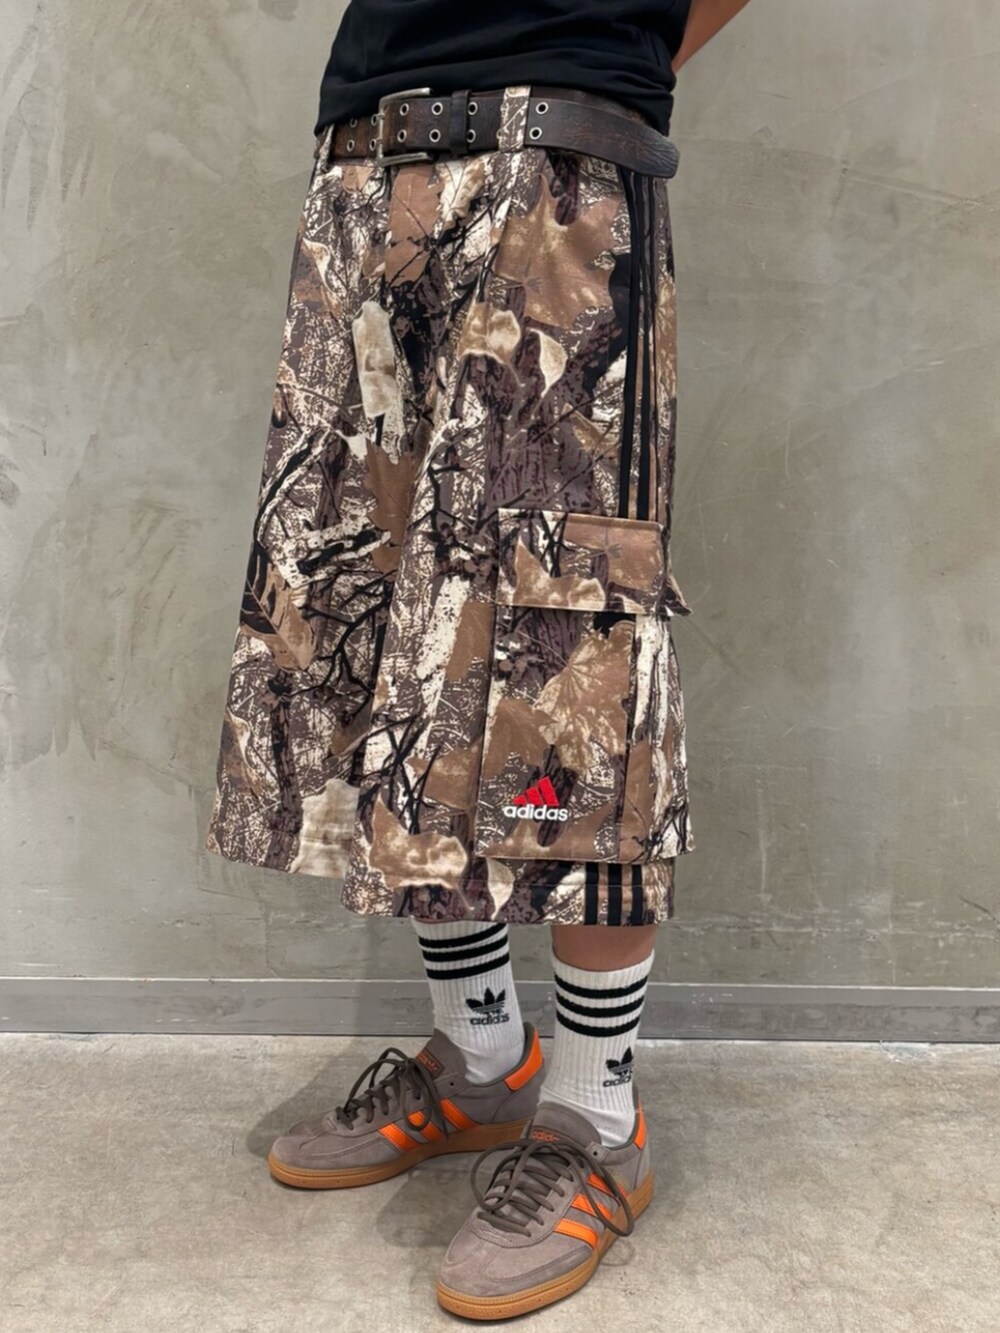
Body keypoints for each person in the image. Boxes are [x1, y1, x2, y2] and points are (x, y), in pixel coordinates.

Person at [205, 0, 751, 1318]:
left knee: (567, 639)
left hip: (555, 163)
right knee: (391, 620)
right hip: (367, 161)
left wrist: (595, 47)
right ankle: (482, 1054)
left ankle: (598, 1116)